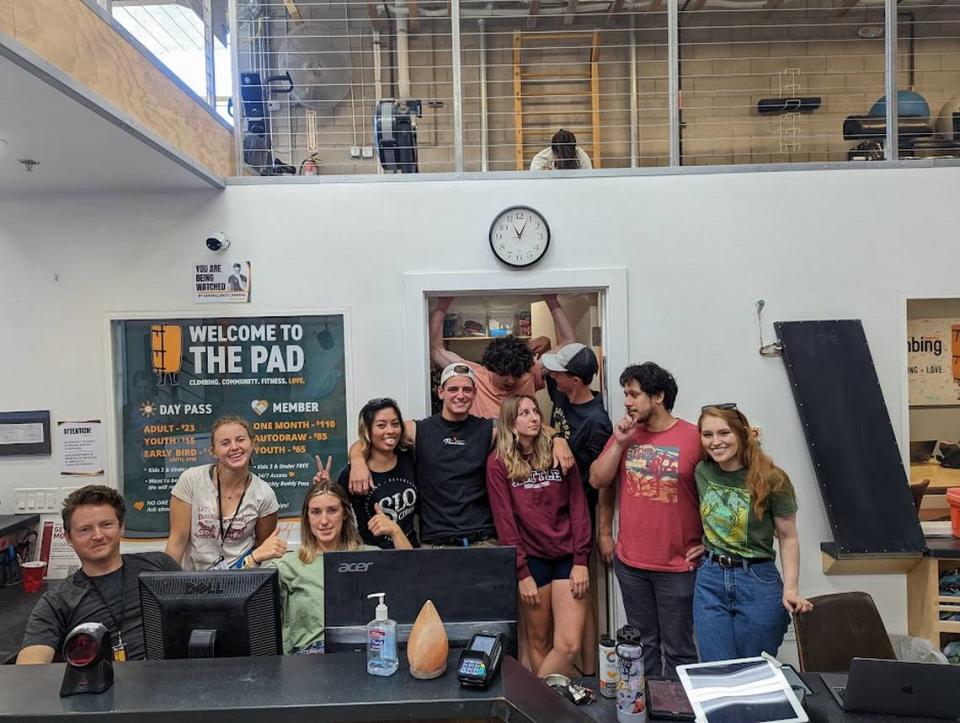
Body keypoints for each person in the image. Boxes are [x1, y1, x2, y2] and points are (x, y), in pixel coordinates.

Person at [589, 362, 703, 679]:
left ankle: (680, 712)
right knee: (643, 646)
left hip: (678, 566)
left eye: (634, 394)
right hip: (632, 563)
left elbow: (719, 494)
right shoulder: (626, 434)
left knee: (679, 648)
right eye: (626, 393)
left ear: (658, 396)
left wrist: (711, 541)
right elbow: (598, 480)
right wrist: (621, 443)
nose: (627, 401)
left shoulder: (694, 437)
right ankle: (649, 708)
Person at [694, 405, 813, 661]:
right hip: (710, 579)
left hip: (757, 579)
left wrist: (791, 589)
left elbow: (788, 536)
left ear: (742, 434)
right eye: (707, 434)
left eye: (724, 433)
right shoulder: (702, 472)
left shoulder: (772, 479)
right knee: (717, 669)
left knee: (754, 669)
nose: (715, 442)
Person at [486, 395, 591, 677]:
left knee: (568, 645)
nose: (533, 417)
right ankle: (553, 711)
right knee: (540, 640)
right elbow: (505, 522)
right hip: (531, 561)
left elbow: (579, 507)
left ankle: (536, 705)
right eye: (524, 413)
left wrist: (581, 559)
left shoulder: (559, 453)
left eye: (535, 411)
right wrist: (522, 572)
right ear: (510, 422)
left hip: (568, 556)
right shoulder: (498, 463)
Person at [17, 485, 180, 664]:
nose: (98, 535)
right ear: (68, 537)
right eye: (85, 529)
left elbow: (202, 616)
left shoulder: (158, 565)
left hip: (168, 679)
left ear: (121, 527)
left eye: (106, 525)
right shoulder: (57, 601)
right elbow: (30, 667)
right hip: (100, 686)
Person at [260, 479, 411, 654]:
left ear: (345, 513)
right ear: (307, 518)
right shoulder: (289, 564)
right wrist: (254, 559)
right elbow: (249, 605)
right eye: (316, 512)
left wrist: (396, 532)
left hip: (366, 652)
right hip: (310, 657)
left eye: (332, 510)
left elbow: (412, 578)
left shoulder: (369, 555)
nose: (324, 521)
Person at [541, 342, 613, 675]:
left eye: (558, 371)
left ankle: (590, 673)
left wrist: (601, 532)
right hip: (553, 514)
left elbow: (599, 482)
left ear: (577, 380)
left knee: (582, 596)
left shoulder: (597, 422)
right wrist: (555, 435)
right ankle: (582, 671)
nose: (551, 374)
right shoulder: (561, 394)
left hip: (578, 516)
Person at [429, 295, 577, 421]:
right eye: (504, 375)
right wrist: (444, 302)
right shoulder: (474, 375)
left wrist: (551, 299)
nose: (511, 381)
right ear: (491, 368)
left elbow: (568, 344)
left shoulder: (530, 372)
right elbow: (436, 350)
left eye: (517, 375)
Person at [165, 415, 283, 570]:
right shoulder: (191, 480)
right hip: (194, 582)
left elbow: (261, 547)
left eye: (240, 440)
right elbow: (177, 541)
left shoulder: (264, 494)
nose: (234, 447)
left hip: (241, 581)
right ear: (213, 451)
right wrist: (164, 584)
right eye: (225, 443)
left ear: (253, 443)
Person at [339, 397, 418, 548]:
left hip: (409, 550)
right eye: (381, 425)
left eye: (395, 424)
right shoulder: (353, 473)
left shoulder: (410, 458)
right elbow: (336, 514)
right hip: (372, 557)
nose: (390, 431)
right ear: (368, 430)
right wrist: (323, 489)